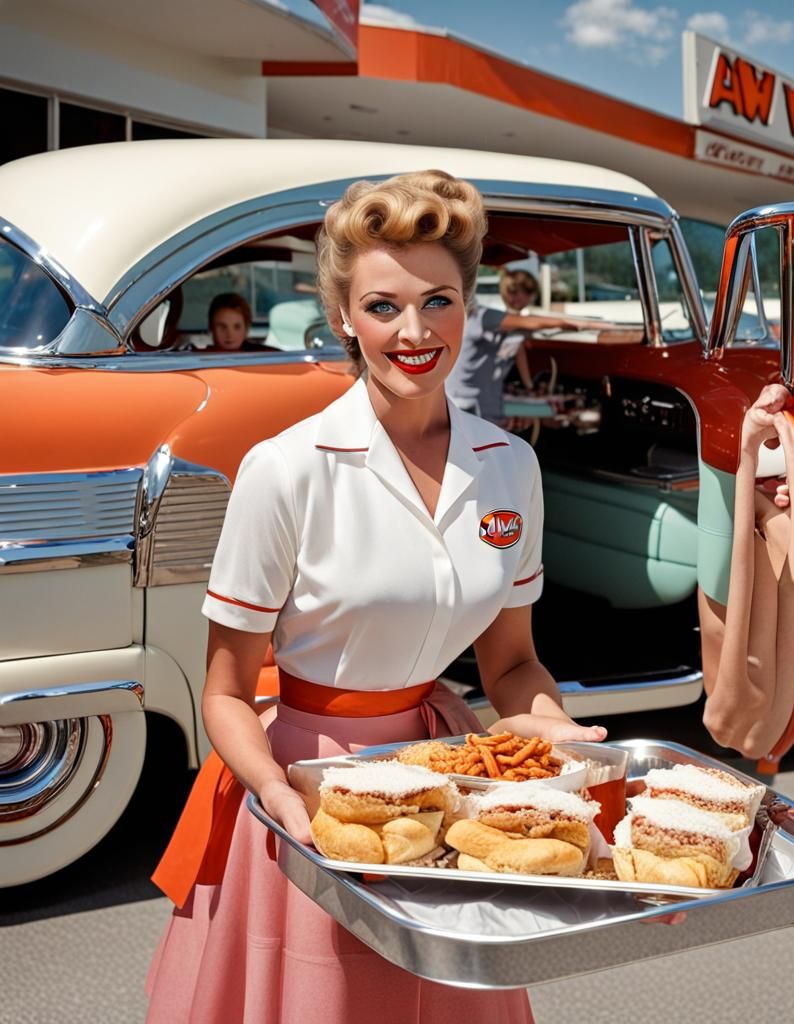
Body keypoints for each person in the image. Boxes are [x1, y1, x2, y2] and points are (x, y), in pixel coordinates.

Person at [145, 170, 607, 1024]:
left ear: (469, 307)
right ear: (345, 320)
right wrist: (282, 801)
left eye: (439, 301)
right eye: (384, 307)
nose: (415, 331)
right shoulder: (284, 470)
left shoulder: (511, 466)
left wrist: (548, 728)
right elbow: (224, 692)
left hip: (447, 787)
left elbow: (511, 663)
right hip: (312, 795)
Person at [448, 269, 589, 426]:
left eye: (526, 292)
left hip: (485, 396)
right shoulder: (492, 317)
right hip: (467, 398)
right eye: (513, 291)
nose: (519, 297)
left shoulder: (507, 321)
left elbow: (517, 349)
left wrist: (529, 385)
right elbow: (522, 336)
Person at [206, 291, 278, 352]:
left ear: (246, 329)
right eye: (222, 327)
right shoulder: (199, 359)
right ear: (211, 328)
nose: (230, 335)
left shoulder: (267, 356)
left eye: (237, 327)